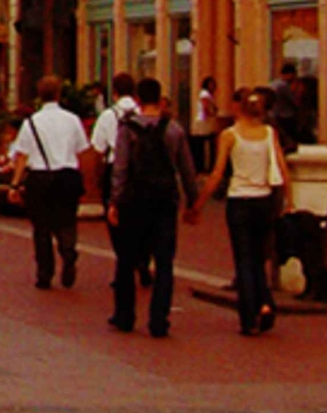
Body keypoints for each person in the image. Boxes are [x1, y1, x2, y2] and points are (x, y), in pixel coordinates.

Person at [106, 77, 201, 337]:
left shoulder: (127, 129)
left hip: (134, 201)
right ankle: (159, 319)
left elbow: (120, 167)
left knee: (126, 259)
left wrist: (114, 200)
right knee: (164, 261)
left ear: (137, 100)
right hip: (164, 201)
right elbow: (186, 169)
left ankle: (125, 315)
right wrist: (193, 201)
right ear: (160, 100)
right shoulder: (174, 130)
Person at [192, 86, 289, 336]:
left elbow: (217, 173)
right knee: (259, 257)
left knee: (244, 259)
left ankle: (249, 316)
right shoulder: (269, 133)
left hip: (240, 200)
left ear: (239, 108)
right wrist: (289, 200)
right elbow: (281, 167)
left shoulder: (230, 135)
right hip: (264, 200)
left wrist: (198, 204)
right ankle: (265, 303)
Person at [8, 76, 89, 290]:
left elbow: (22, 155)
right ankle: (68, 250)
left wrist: (15, 185)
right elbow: (82, 148)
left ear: (39, 96)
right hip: (67, 174)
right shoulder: (72, 119)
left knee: (41, 227)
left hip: (40, 177)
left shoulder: (31, 122)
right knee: (67, 220)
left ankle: (45, 273)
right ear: (59, 94)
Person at [91, 72, 149, 290]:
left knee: (116, 220)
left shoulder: (108, 116)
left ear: (114, 92)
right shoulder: (143, 112)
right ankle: (143, 258)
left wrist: (98, 178)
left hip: (115, 168)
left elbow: (98, 148)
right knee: (142, 217)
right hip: (142, 171)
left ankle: (125, 263)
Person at [191, 77, 220, 173]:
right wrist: (210, 113)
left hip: (206, 121)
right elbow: (205, 106)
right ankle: (203, 166)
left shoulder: (209, 95)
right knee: (204, 143)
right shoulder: (205, 94)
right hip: (204, 122)